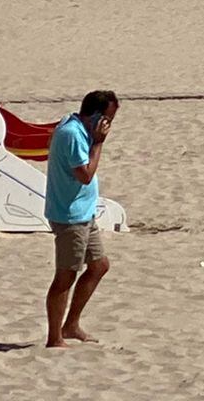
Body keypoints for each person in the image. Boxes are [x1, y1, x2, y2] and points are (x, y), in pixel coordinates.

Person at [45, 89, 118, 347]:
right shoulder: (73, 134)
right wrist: (98, 142)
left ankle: (71, 325)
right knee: (65, 276)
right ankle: (54, 338)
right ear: (96, 116)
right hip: (69, 216)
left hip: (84, 213)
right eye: (108, 118)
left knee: (99, 266)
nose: (110, 124)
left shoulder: (78, 128)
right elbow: (85, 174)